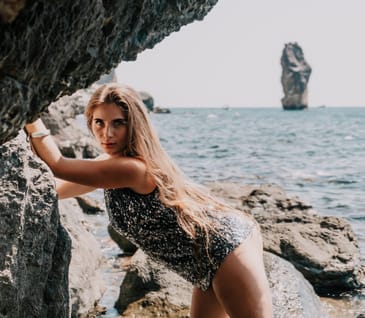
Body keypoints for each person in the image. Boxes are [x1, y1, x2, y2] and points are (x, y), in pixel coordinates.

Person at [24, 83, 272, 317]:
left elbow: (58, 165)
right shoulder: (109, 165)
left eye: (118, 123)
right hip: (204, 261)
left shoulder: (133, 169)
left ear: (134, 125)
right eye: (99, 122)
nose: (106, 133)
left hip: (226, 249)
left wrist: (28, 114)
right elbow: (57, 189)